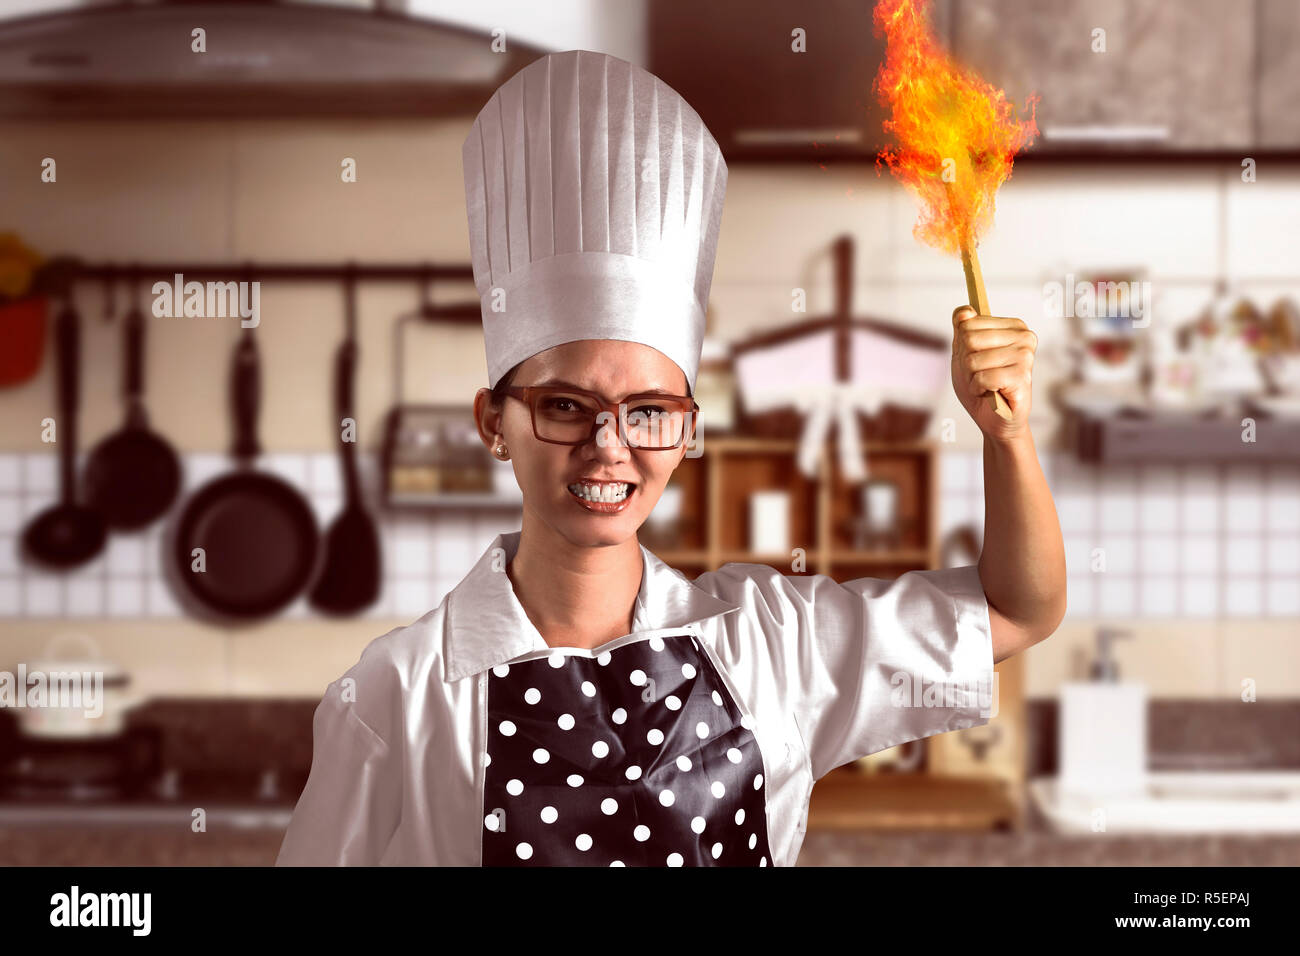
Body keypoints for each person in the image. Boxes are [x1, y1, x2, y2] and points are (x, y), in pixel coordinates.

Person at [276, 49, 1065, 867]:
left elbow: (1017, 611)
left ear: (688, 432)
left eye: (649, 412)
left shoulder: (775, 641)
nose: (608, 447)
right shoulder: (397, 693)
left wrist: (1005, 437)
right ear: (494, 422)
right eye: (565, 407)